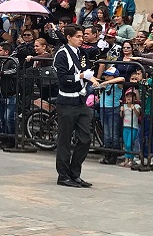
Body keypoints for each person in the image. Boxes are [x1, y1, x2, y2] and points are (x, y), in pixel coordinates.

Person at [53, 23, 99, 188]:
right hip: (66, 102)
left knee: (85, 138)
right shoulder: (62, 54)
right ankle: (63, 175)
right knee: (64, 140)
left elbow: (87, 71)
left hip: (81, 101)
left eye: (82, 36)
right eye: (78, 37)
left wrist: (93, 80)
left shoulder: (82, 52)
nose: (82, 39)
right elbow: (63, 79)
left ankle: (75, 172)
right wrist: (80, 75)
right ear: (68, 37)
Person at [120, 89, 140, 168]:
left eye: (131, 97)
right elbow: (121, 116)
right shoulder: (124, 106)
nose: (129, 98)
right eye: (127, 96)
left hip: (133, 127)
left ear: (134, 98)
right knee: (126, 144)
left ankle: (131, 159)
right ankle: (126, 159)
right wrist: (121, 111)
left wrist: (134, 108)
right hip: (125, 126)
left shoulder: (137, 106)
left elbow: (138, 115)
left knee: (129, 143)